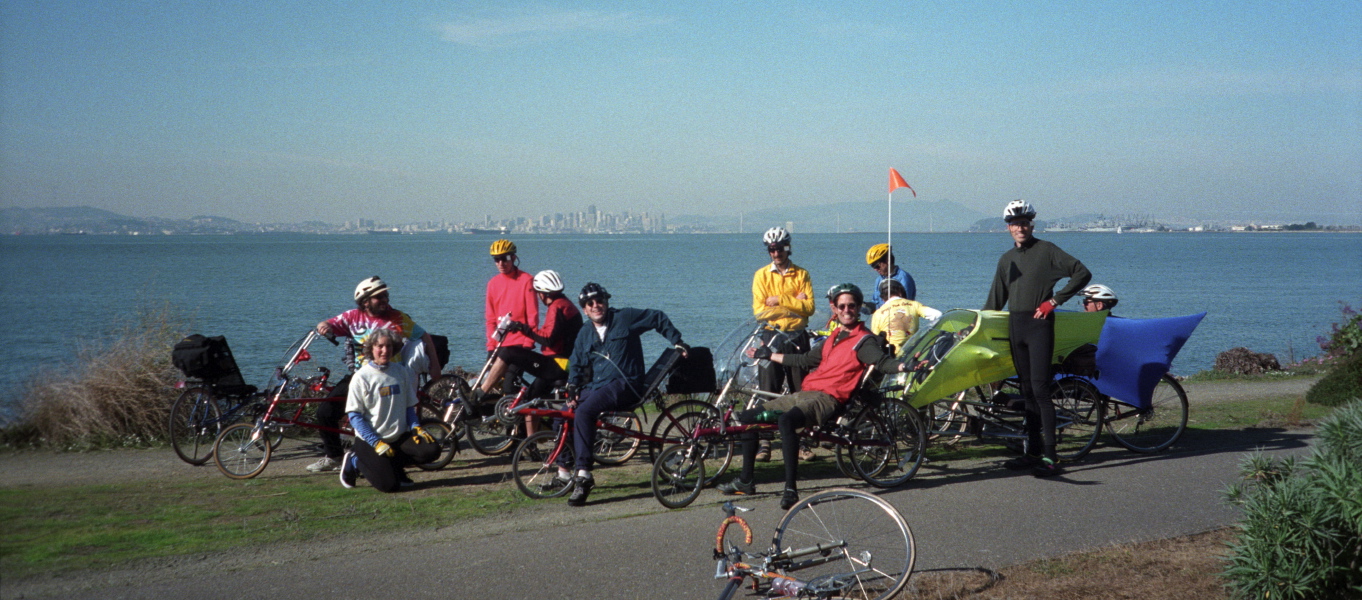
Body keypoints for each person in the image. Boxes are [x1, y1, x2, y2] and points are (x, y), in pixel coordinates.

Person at [718, 283, 909, 510]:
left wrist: (905, 366)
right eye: (842, 306)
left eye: (852, 306)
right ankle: (746, 481)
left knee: (785, 421)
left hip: (829, 399)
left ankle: (790, 489)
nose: (847, 310)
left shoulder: (863, 341)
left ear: (858, 308)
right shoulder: (833, 337)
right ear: (834, 308)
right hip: (806, 393)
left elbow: (883, 362)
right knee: (747, 418)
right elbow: (805, 360)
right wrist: (769, 354)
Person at [983, 200, 1091, 477]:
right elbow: (995, 299)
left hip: (1039, 326)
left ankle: (1051, 457)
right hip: (1015, 327)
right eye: (1015, 223)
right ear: (1008, 228)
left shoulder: (1047, 250)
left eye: (1025, 222)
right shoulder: (1006, 259)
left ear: (1032, 224)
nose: (1020, 227)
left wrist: (1053, 301)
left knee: (1041, 391)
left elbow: (1082, 273)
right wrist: (975, 326)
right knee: (1027, 391)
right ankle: (1032, 452)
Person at [562, 282, 688, 507]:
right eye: (590, 303)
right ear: (584, 309)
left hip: (626, 384)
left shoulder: (625, 317)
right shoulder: (584, 333)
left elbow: (657, 317)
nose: (596, 305)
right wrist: (572, 385)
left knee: (584, 412)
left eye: (599, 300)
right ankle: (563, 471)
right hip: (598, 385)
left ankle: (584, 475)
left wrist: (676, 340)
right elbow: (577, 364)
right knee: (564, 414)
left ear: (606, 301)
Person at [309, 276, 442, 473]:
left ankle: (393, 455)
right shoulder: (352, 317)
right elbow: (328, 323)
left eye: (386, 295)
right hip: (360, 378)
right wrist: (324, 326)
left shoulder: (397, 318)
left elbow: (424, 336)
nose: (385, 299)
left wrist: (435, 366)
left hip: (392, 377)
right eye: (379, 297)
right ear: (365, 301)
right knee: (325, 412)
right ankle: (335, 456)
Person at [337, 328, 440, 492]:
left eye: (389, 346)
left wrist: (416, 427)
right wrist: (375, 442)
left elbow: (409, 406)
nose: (385, 351)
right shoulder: (361, 377)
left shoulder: (401, 372)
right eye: (380, 346)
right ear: (371, 348)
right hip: (371, 439)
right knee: (389, 486)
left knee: (431, 450)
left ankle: (395, 468)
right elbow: (355, 417)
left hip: (398, 436)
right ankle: (355, 460)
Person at [483, 270, 583, 431]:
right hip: (563, 363)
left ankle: (481, 393)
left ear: (543, 293)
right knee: (531, 399)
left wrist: (522, 328)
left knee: (508, 352)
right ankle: (531, 444)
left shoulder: (557, 307)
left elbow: (547, 338)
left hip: (559, 364)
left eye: (538, 293)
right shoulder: (565, 304)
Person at [751, 227, 815, 462]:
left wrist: (778, 300)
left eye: (779, 248)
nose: (776, 253)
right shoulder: (761, 276)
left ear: (788, 247)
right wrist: (794, 302)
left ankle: (803, 442)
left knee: (801, 391)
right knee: (769, 390)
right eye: (771, 249)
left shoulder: (802, 274)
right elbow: (759, 313)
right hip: (771, 337)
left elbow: (809, 308)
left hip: (797, 337)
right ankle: (766, 442)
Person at [480, 239, 539, 403]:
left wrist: (528, 343)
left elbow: (532, 315)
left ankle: (518, 422)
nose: (500, 263)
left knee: (508, 387)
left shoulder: (526, 280)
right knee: (487, 384)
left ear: (513, 258)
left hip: (519, 345)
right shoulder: (493, 284)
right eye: (496, 259)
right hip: (499, 344)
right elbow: (490, 318)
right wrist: (491, 346)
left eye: (504, 258)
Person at [870, 279, 941, 355]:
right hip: (911, 353)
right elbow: (938, 314)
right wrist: (928, 334)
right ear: (900, 292)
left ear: (882, 298)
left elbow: (874, 340)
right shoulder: (914, 305)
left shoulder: (877, 313)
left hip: (891, 355)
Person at [864, 243, 917, 310]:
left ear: (887, 260)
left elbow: (904, 304)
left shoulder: (904, 278)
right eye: (872, 266)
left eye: (876, 265)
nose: (875, 269)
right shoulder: (879, 279)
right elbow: (876, 303)